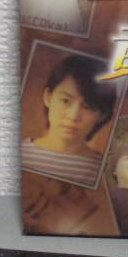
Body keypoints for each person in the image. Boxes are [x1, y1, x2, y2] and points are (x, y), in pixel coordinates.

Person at [21, 54, 118, 186]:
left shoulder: (104, 172)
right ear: (48, 97)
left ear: (102, 115)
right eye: (65, 101)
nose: (73, 116)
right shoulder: (19, 154)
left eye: (87, 107)